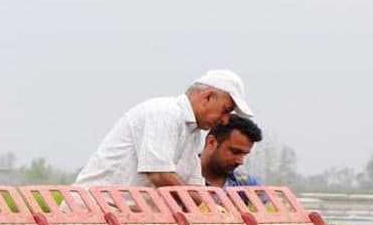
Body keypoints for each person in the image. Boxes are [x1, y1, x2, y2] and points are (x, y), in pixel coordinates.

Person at [74, 69, 254, 189]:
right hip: (89, 216)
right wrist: (206, 205)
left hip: (126, 219)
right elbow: (159, 175)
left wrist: (213, 206)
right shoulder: (165, 113)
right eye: (225, 110)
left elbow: (194, 184)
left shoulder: (193, 133)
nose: (224, 120)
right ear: (207, 97)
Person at [200, 114, 262, 187]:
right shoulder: (184, 177)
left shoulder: (247, 185)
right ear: (211, 142)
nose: (240, 161)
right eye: (235, 152)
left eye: (245, 154)